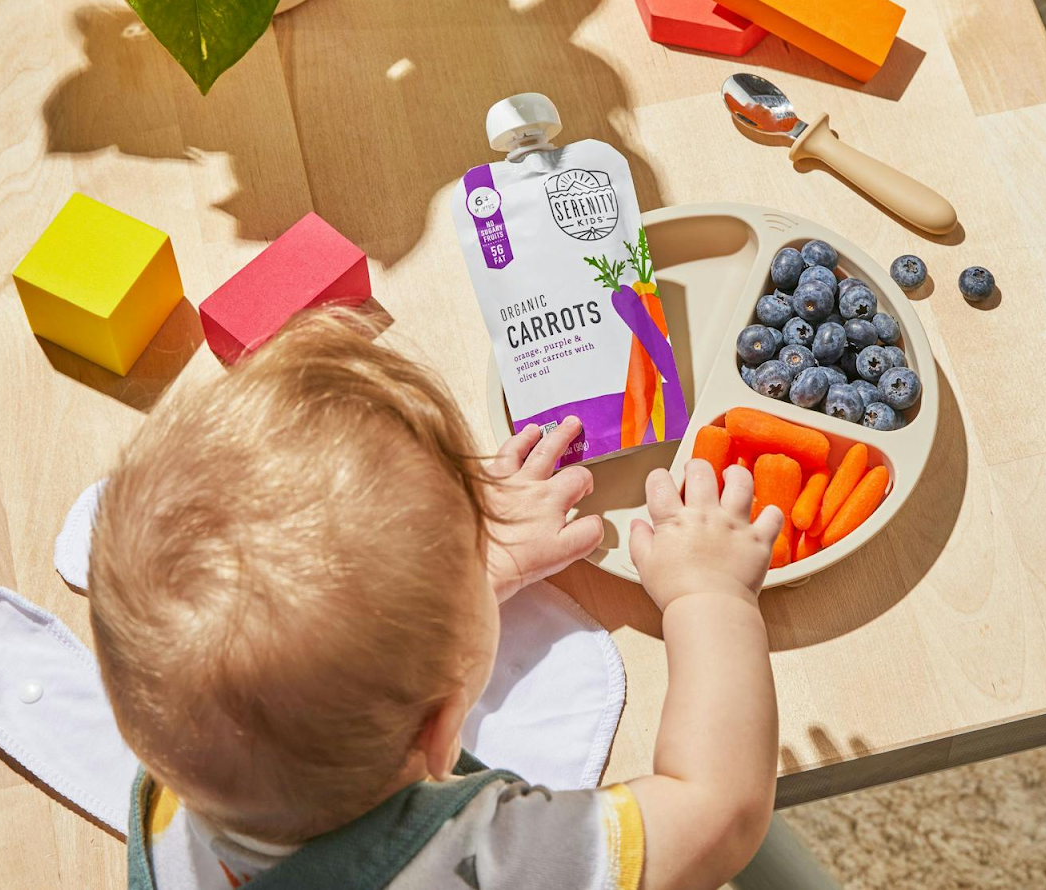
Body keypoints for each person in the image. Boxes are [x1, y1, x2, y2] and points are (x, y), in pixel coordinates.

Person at [88, 307, 781, 889]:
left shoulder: (186, 779)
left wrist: (443, 588)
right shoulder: (480, 863)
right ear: (442, 733)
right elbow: (721, 810)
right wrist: (709, 594)